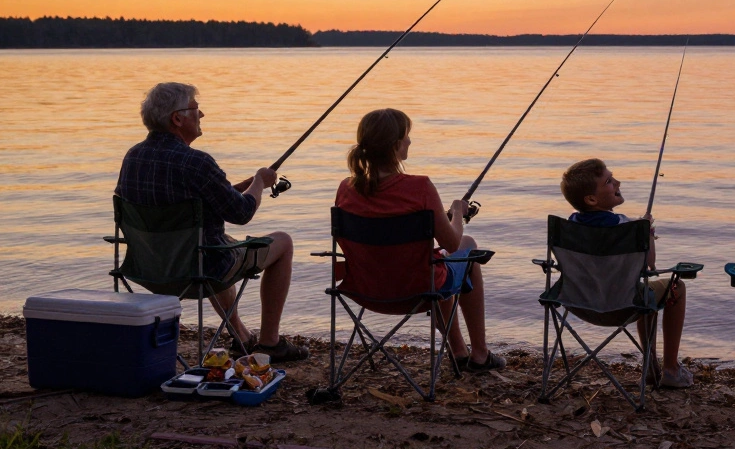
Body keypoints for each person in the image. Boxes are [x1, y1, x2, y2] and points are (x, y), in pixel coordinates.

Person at [115, 82, 309, 362]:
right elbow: (241, 214)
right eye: (195, 109)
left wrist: (241, 187)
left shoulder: (132, 157)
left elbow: (205, 197)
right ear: (177, 119)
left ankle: (241, 336)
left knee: (220, 245)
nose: (201, 114)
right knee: (282, 242)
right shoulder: (197, 162)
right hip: (199, 271)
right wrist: (259, 181)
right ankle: (269, 343)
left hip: (149, 268)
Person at [335, 108, 503, 372]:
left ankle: (459, 351)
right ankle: (480, 354)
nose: (410, 141)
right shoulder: (421, 187)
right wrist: (458, 212)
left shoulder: (346, 189)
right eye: (406, 136)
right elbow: (453, 244)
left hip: (364, 290)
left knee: (435, 263)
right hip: (418, 292)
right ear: (395, 146)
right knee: (467, 248)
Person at [560, 158, 693, 389]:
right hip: (623, 306)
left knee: (646, 292)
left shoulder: (570, 226)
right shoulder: (624, 226)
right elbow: (650, 264)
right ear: (591, 199)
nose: (618, 182)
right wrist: (647, 230)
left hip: (578, 303)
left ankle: (651, 365)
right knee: (675, 288)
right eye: (609, 181)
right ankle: (670, 369)